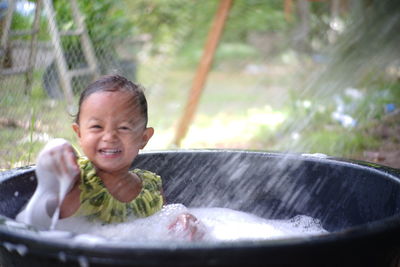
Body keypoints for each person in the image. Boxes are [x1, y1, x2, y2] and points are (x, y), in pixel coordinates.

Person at [17, 75, 203, 241]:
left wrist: (184, 220)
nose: (109, 136)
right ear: (79, 134)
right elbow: (43, 225)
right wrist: (57, 185)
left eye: (123, 128)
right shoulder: (80, 179)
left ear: (143, 138)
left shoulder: (151, 185)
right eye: (97, 127)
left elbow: (165, 217)